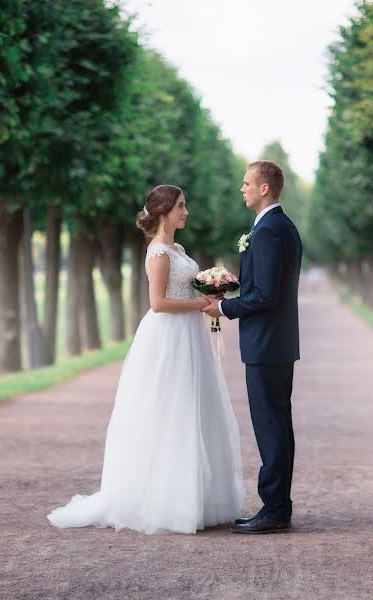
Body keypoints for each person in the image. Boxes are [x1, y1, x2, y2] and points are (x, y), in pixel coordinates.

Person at [47, 185, 244, 535]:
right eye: (181, 206)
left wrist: (208, 293)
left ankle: (197, 497)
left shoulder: (178, 248)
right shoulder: (158, 253)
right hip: (168, 337)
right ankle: (165, 501)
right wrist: (201, 305)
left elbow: (183, 289)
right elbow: (158, 303)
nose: (186, 211)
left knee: (194, 409)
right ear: (164, 211)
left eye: (185, 205)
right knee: (169, 411)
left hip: (189, 336)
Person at [202, 160, 302, 534]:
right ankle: (278, 506)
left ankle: (275, 510)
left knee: (271, 426)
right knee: (276, 424)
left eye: (247, 183)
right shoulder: (275, 227)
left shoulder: (271, 231)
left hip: (268, 345)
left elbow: (266, 295)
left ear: (264, 189)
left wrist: (225, 307)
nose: (242, 188)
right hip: (273, 343)